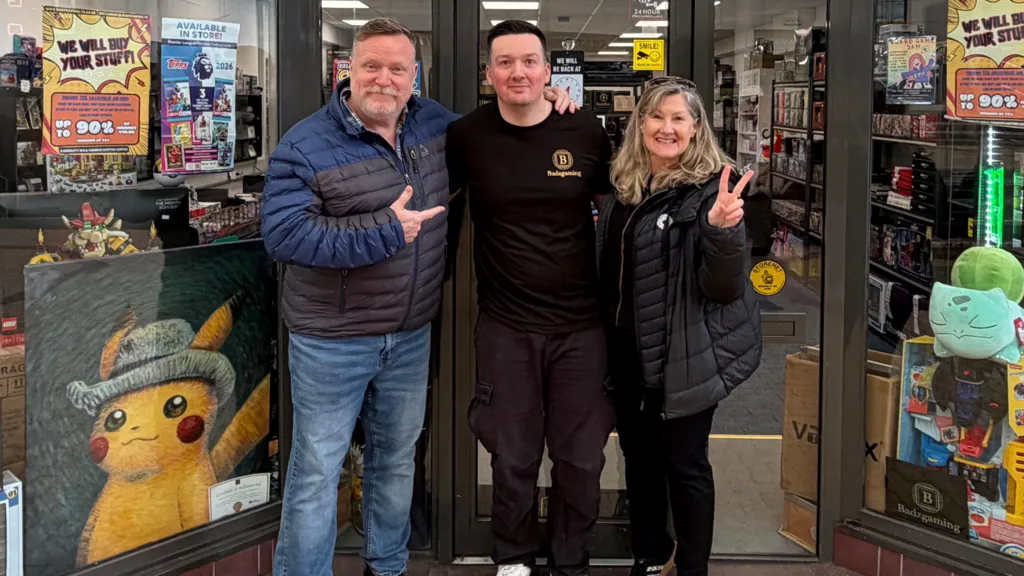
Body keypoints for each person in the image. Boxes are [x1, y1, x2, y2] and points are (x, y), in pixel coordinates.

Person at [261, 17, 574, 576]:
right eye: (372, 67)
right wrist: (386, 229)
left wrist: (546, 101)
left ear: (414, 76)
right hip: (331, 340)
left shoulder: (435, 125)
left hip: (408, 334)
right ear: (348, 71)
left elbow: (503, 127)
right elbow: (283, 235)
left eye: (397, 69)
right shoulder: (305, 144)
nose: (384, 79)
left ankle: (388, 566)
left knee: (395, 462)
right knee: (315, 473)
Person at [446, 20, 614, 576]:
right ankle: (513, 558)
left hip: (582, 327)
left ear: (547, 69)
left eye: (529, 61)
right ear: (489, 72)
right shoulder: (466, 136)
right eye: (505, 62)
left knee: (581, 459)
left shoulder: (586, 131)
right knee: (512, 456)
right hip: (505, 326)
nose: (518, 71)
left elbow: (620, 214)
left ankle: (570, 561)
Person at [595, 77, 763, 576]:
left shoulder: (713, 189)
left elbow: (724, 286)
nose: (666, 128)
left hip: (683, 355)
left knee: (686, 467)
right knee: (640, 461)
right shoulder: (625, 183)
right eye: (656, 117)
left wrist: (723, 230)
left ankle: (692, 568)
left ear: (695, 128)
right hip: (626, 352)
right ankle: (651, 555)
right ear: (639, 123)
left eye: (678, 119)